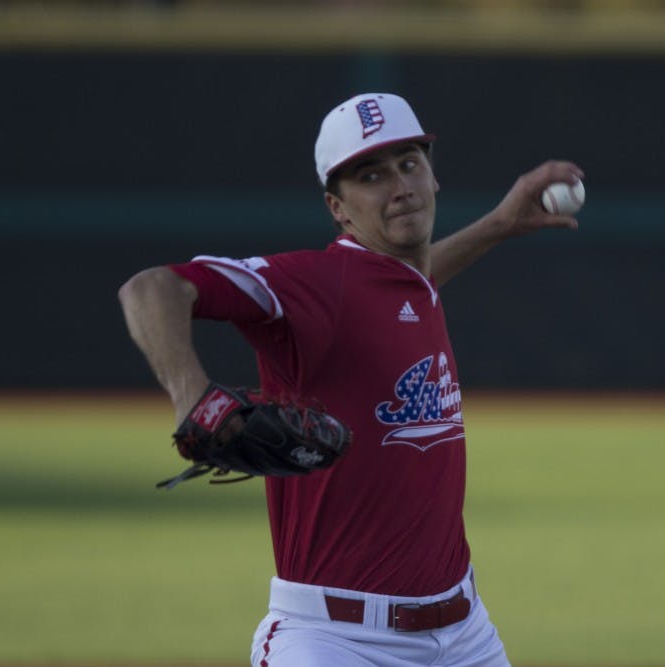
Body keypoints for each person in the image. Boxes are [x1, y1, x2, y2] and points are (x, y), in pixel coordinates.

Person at [119, 92, 584, 667]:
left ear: (433, 177)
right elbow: (149, 289)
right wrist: (196, 400)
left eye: (409, 164)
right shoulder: (315, 284)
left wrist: (499, 224)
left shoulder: (409, 284)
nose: (399, 186)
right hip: (335, 640)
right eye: (371, 176)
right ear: (338, 208)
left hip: (466, 636)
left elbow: (411, 279)